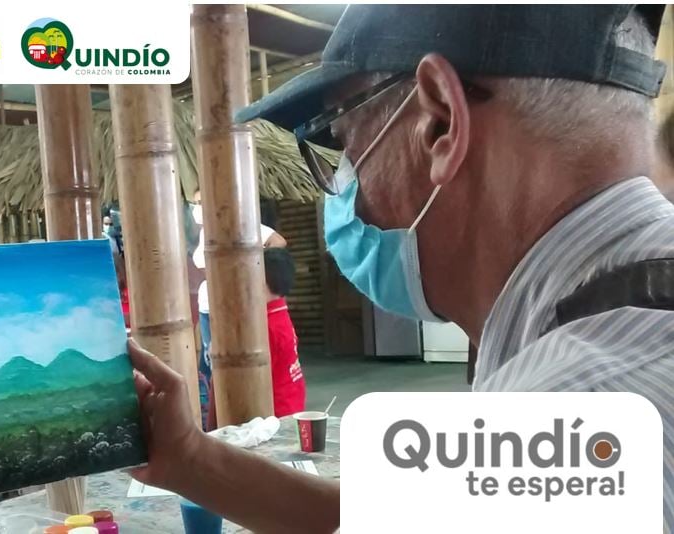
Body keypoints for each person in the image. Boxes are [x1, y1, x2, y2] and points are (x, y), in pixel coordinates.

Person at [129, 5, 674, 532]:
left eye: (343, 142)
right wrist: (188, 458)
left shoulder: (566, 418)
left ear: (440, 122)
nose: (347, 193)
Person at [190, 189, 286, 425]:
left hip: (228, 305)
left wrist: (250, 269)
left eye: (202, 201)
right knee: (209, 363)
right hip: (207, 305)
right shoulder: (203, 233)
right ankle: (214, 417)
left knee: (227, 363)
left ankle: (232, 415)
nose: (198, 208)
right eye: (195, 202)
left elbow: (278, 242)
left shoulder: (240, 225)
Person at [262, 248, 305, 418]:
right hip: (291, 401)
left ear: (261, 281)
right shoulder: (279, 313)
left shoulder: (267, 325)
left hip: (277, 412)